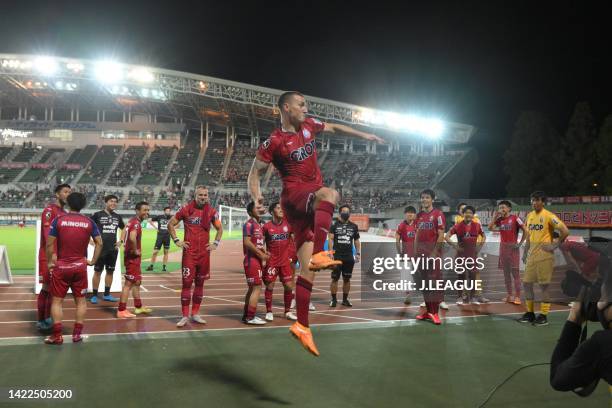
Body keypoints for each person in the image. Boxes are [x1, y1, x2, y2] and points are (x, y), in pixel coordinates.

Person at [248, 91, 384, 356]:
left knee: (307, 271)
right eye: (301, 104)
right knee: (330, 194)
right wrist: (256, 198)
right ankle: (322, 253)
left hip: (306, 206)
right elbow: (255, 173)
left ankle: (302, 326)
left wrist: (363, 135)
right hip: (295, 195)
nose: (305, 107)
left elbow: (333, 126)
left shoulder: (310, 125)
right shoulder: (274, 141)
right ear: (286, 108)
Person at [44, 192, 103, 344]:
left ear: (68, 204)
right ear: (83, 205)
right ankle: (77, 335)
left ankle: (57, 336)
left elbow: (49, 244)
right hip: (80, 267)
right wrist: (93, 261)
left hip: (61, 267)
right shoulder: (89, 222)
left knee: (57, 302)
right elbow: (100, 243)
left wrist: (50, 261)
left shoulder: (59, 220)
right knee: (81, 302)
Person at [168, 186, 223, 327]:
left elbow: (219, 228)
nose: (203, 197)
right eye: (200, 195)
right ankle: (184, 316)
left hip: (204, 254)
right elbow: (171, 224)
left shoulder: (211, 211)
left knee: (200, 284)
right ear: (195, 196)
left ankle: (195, 314)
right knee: (186, 284)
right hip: (189, 254)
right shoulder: (186, 209)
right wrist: (177, 241)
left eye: (205, 195)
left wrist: (215, 243)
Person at [519, 191, 569, 326]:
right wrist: (525, 253)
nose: (534, 203)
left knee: (543, 287)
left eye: (536, 200)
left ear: (543, 201)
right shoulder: (529, 216)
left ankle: (543, 315)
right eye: (532, 200)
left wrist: (555, 245)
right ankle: (530, 313)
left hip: (545, 257)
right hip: (532, 256)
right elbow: (529, 236)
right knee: (526, 284)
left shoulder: (549, 216)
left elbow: (565, 230)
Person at [37, 183, 71, 331]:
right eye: (65, 192)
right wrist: (53, 256)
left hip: (60, 257)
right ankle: (41, 320)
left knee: (53, 289)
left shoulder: (65, 212)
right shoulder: (49, 210)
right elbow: (48, 235)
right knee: (46, 288)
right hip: (49, 256)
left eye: (70, 192)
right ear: (57, 194)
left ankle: (48, 317)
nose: (68, 194)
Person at [414, 189, 446, 325]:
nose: (424, 200)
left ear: (433, 199)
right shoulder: (419, 215)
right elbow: (416, 235)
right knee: (425, 285)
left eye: (427, 197)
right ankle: (428, 311)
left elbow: (441, 234)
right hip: (420, 255)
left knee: (434, 284)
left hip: (433, 255)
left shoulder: (438, 214)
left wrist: (434, 253)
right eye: (422, 197)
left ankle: (435, 313)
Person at [116, 202, 153, 318]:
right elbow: (132, 237)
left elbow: (125, 233)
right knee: (129, 284)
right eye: (144, 210)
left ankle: (138, 307)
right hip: (132, 257)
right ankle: (121, 310)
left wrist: (122, 242)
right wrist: (135, 250)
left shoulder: (131, 221)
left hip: (132, 257)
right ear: (137, 211)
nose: (147, 213)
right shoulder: (136, 223)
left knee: (137, 282)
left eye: (148, 210)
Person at [262, 202, 297, 321]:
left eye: (282, 208)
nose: (281, 210)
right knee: (270, 286)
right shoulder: (266, 227)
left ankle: (287, 312)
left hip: (285, 262)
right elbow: (260, 243)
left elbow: (295, 239)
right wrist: (263, 255)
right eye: (278, 208)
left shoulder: (288, 225)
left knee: (288, 286)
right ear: (272, 212)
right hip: (272, 262)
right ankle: (269, 311)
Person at [487, 200, 527, 305]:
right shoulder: (499, 220)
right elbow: (490, 228)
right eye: (500, 208)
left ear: (509, 208)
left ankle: (517, 297)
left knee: (515, 274)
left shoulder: (515, 218)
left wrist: (520, 243)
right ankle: (509, 295)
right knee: (506, 275)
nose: (501, 210)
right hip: (503, 250)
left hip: (513, 250)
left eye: (503, 207)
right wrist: (495, 217)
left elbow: (526, 231)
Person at [446, 205, 487, 305]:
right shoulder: (458, 226)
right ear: (463, 214)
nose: (468, 214)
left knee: (473, 276)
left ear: (473, 215)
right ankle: (460, 297)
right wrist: (455, 246)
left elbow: (484, 236)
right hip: (461, 255)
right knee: (461, 276)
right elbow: (447, 236)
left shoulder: (477, 225)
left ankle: (472, 297)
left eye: (470, 213)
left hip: (472, 255)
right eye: (466, 212)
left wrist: (480, 246)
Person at [90, 194, 124, 304]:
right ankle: (94, 295)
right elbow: (87, 226)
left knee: (110, 272)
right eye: (111, 201)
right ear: (106, 202)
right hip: (100, 249)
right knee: (97, 272)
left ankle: (107, 294)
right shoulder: (97, 215)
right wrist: (89, 240)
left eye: (115, 201)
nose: (113, 203)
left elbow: (124, 229)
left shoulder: (117, 217)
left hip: (113, 250)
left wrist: (121, 241)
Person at [328, 205, 361, 307]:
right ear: (340, 213)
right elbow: (330, 239)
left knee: (347, 279)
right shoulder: (334, 226)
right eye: (343, 211)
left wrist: (358, 253)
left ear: (349, 213)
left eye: (347, 211)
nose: (345, 213)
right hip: (337, 256)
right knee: (335, 279)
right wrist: (330, 253)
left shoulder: (354, 226)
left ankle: (345, 300)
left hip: (349, 257)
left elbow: (356, 241)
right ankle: (333, 300)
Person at [242, 201, 269, 325]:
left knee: (252, 288)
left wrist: (263, 251)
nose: (260, 209)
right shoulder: (249, 224)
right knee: (257, 288)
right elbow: (247, 242)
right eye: (257, 208)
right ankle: (250, 317)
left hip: (256, 259)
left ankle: (246, 315)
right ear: (250, 212)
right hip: (251, 260)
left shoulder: (259, 225)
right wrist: (260, 254)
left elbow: (257, 243)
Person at [396, 206, 417, 305]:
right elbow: (397, 240)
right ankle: (408, 294)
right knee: (406, 276)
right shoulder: (401, 226)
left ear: (415, 215)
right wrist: (399, 252)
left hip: (418, 256)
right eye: (408, 212)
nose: (410, 214)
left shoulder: (418, 225)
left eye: (412, 213)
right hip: (406, 256)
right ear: (405, 214)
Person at [146, 206, 173, 272]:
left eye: (169, 211)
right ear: (164, 211)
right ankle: (151, 266)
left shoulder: (172, 217)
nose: (168, 212)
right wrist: (155, 228)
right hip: (160, 236)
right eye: (167, 211)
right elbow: (149, 220)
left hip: (167, 237)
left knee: (166, 252)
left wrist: (172, 229)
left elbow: (178, 224)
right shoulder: (159, 217)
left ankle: (164, 267)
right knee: (155, 252)